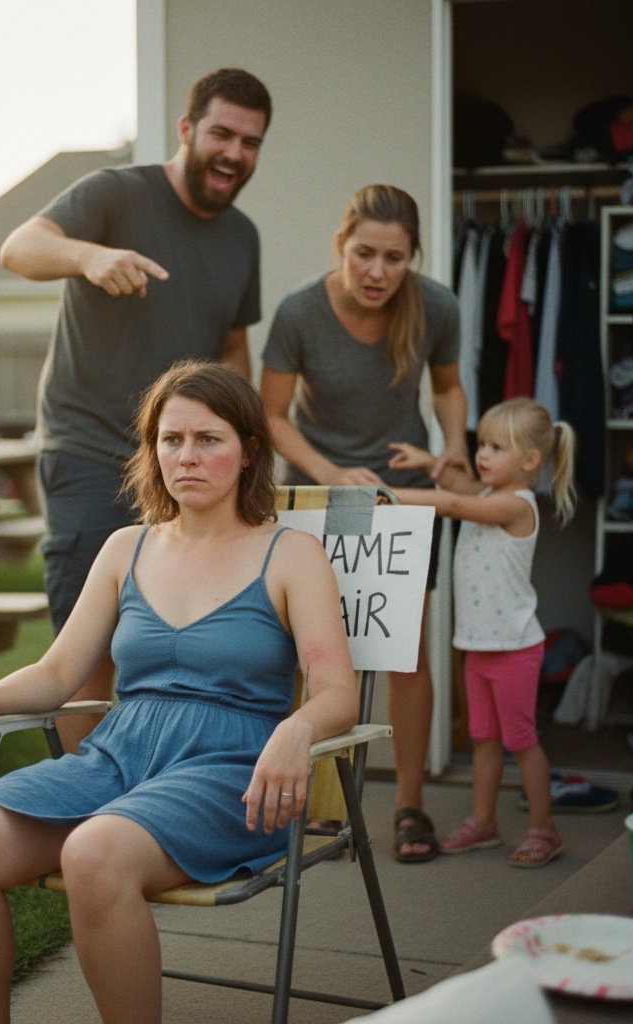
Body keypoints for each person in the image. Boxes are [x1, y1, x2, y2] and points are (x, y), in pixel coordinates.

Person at [0, 360, 357, 1024]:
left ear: (248, 452)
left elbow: (335, 691)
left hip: (231, 771)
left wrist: (297, 729)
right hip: (120, 758)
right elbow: (57, 673)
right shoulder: (126, 548)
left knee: (94, 854)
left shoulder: (291, 554)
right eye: (171, 439)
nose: (187, 456)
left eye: (209, 439)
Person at [0, 67, 272, 753]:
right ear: (186, 130)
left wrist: (240, 447)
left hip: (188, 469)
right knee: (89, 655)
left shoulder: (242, 238)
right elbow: (18, 248)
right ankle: (81, 806)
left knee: (181, 653)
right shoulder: (117, 194)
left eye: (251, 141)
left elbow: (232, 350)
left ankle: (147, 808)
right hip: (93, 456)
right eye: (222, 133)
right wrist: (87, 256)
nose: (234, 152)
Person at [260, 183, 468, 863]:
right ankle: (308, 802)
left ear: (413, 258)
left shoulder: (435, 305)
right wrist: (328, 473)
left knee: (404, 653)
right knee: (312, 654)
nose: (378, 271)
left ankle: (409, 807)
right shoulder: (298, 312)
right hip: (322, 500)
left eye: (394, 257)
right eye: (364, 254)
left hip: (399, 499)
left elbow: (445, 387)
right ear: (341, 246)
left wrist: (455, 448)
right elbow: (270, 417)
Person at [387, 397, 577, 868]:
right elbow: (456, 484)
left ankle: (544, 829)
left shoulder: (516, 505)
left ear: (531, 461)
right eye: (481, 444)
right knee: (483, 740)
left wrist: (390, 496)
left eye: (496, 447)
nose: (482, 454)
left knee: (521, 740)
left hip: (514, 649)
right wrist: (430, 462)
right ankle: (483, 822)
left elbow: (453, 502)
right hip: (479, 647)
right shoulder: (490, 495)